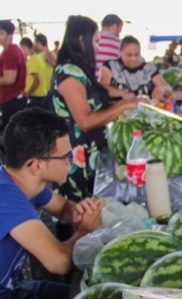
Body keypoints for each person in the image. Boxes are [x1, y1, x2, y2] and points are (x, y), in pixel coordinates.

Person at [0, 108, 104, 299]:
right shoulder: (6, 196)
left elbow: (63, 209)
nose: (72, 161)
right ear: (36, 165)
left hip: (10, 290)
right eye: (65, 157)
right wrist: (85, 230)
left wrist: (79, 211)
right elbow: (59, 262)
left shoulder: (22, 180)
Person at [50, 16, 145, 203]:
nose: (98, 47)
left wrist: (123, 97)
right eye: (96, 41)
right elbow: (85, 121)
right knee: (79, 212)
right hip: (76, 158)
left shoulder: (79, 69)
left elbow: (96, 94)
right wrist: (123, 106)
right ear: (81, 40)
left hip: (89, 153)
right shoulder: (69, 72)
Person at [99, 36, 172, 100]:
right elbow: (102, 87)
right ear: (120, 52)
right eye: (129, 55)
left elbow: (168, 89)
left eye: (136, 54)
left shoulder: (149, 68)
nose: (133, 59)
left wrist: (163, 89)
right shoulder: (110, 66)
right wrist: (122, 93)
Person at [0, 20, 27, 132]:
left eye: (1, 33)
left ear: (10, 35)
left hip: (10, 100)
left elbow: (9, 79)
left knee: (10, 136)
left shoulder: (9, 53)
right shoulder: (16, 50)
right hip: (16, 99)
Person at [21, 37, 49, 108]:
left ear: (25, 47)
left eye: (22, 49)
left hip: (36, 96)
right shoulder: (39, 57)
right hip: (43, 94)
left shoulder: (32, 60)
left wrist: (28, 93)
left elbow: (36, 80)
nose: (21, 52)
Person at [95, 14, 123, 79]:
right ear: (114, 26)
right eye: (119, 31)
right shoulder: (119, 44)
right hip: (108, 84)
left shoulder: (92, 41)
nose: (118, 35)